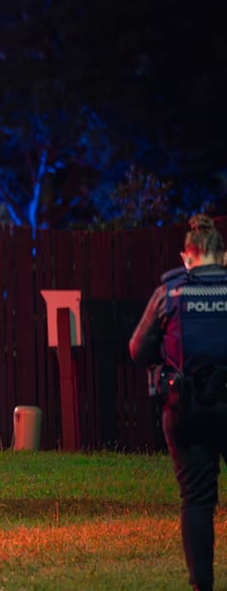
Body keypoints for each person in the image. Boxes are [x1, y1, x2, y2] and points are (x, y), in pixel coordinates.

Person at [129, 214, 227, 590]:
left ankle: (202, 585)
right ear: (223, 256)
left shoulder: (169, 293)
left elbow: (138, 350)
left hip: (188, 411)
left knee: (198, 500)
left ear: (187, 257)